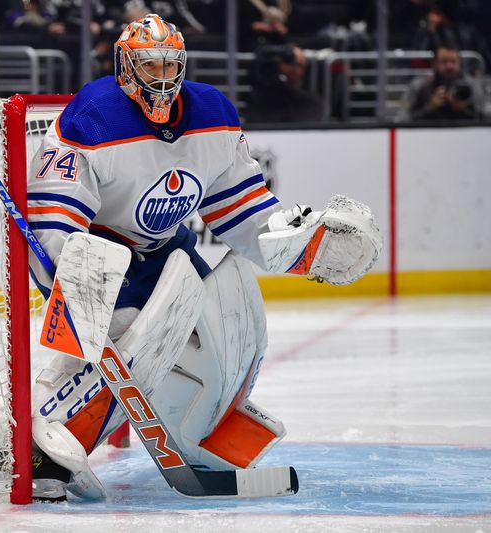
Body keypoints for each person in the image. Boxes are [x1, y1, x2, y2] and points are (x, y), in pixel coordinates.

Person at [25, 14, 380, 501]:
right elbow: (54, 219)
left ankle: (199, 426)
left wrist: (304, 246)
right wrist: (82, 288)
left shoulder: (212, 114)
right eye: (150, 65)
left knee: (216, 331)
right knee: (135, 339)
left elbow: (244, 210)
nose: (162, 77)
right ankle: (46, 447)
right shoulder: (92, 116)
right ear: (125, 68)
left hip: (164, 251)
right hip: (97, 254)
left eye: (170, 65)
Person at [400, 44, 484, 121]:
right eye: (444, 62)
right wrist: (429, 107)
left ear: (460, 63)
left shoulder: (472, 85)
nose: (449, 66)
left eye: (453, 62)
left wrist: (464, 109)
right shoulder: (418, 85)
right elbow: (403, 119)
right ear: (434, 64)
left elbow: (486, 118)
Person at [244, 44, 323, 123]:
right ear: (283, 65)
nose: (302, 71)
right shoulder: (262, 97)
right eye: (299, 65)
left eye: (304, 66)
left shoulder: (309, 102)